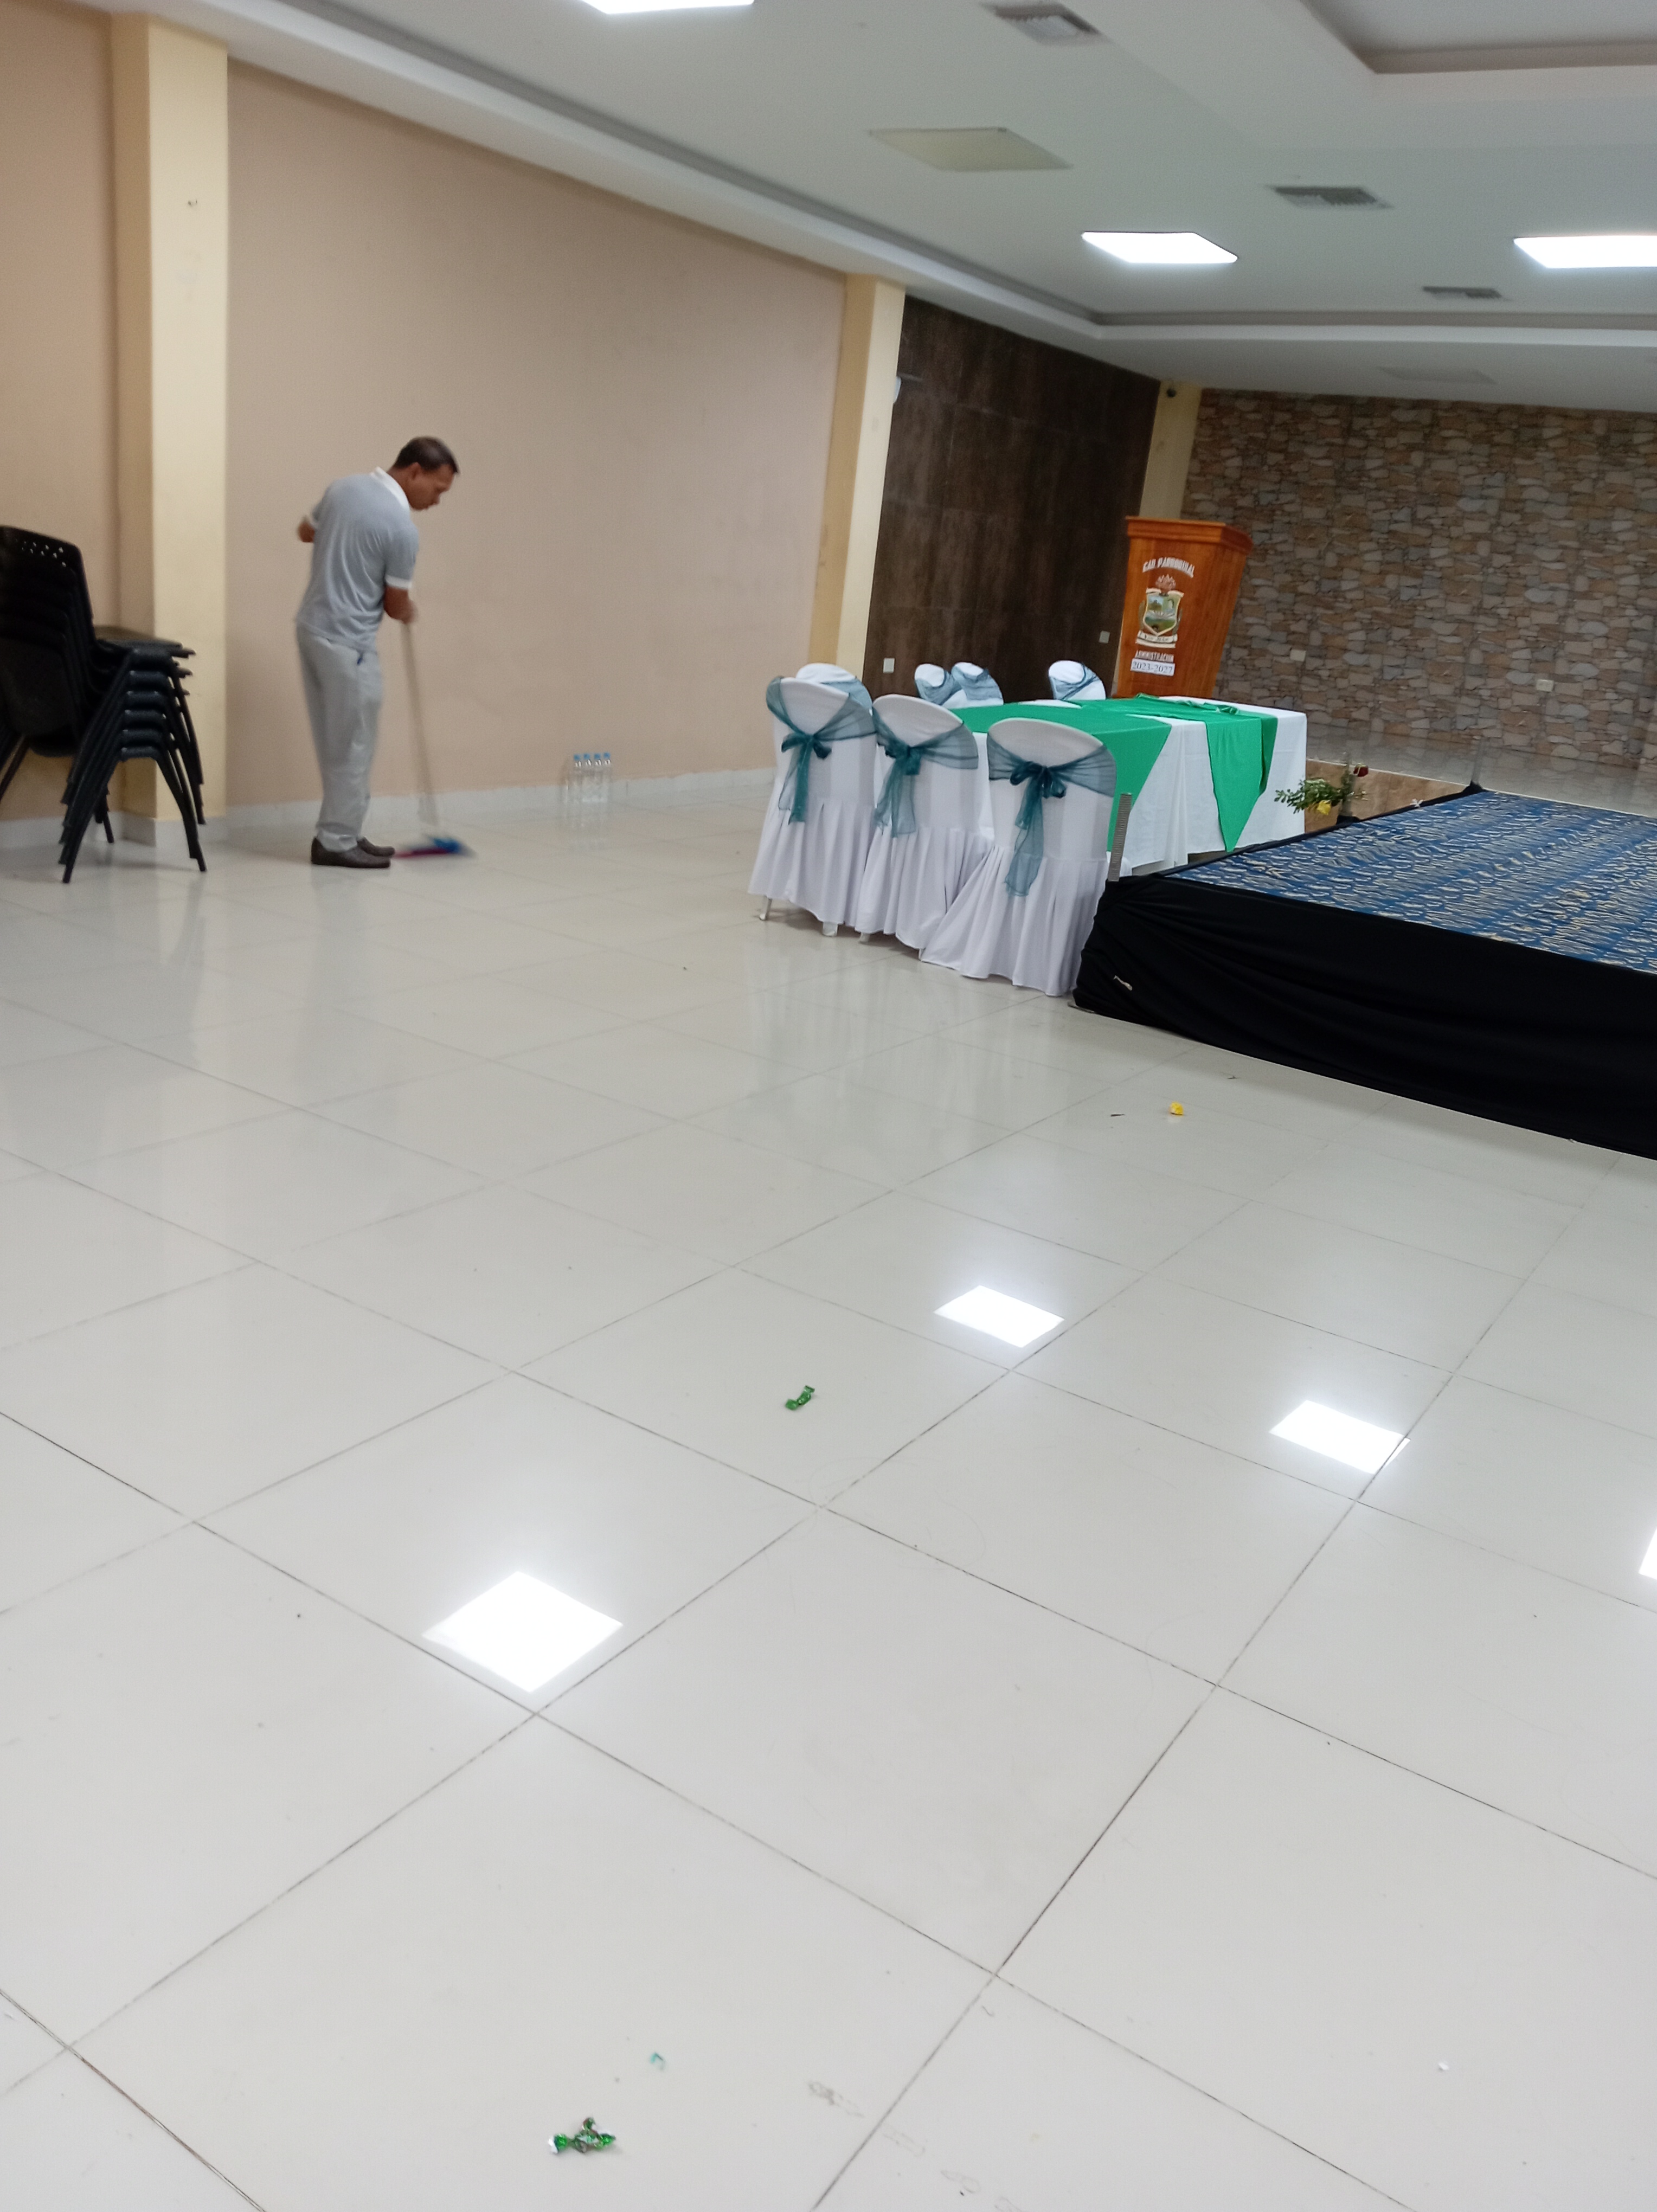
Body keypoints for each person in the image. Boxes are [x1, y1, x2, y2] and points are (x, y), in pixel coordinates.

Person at [295, 436, 458, 869]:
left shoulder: (343, 488)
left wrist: (345, 546)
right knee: (354, 744)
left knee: (336, 741)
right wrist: (410, 612)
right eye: (438, 489)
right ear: (415, 472)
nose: (437, 501)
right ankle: (336, 840)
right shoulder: (402, 529)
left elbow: (306, 532)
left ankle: (345, 831)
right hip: (349, 645)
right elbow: (394, 605)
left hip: (311, 629)